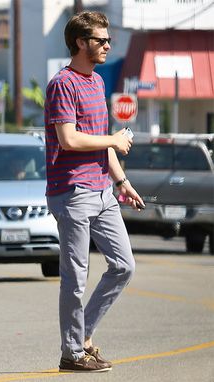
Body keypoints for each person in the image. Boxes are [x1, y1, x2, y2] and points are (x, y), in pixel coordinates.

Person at [44, 10, 145, 373]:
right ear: (80, 43)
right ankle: (72, 353)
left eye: (107, 40)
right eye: (100, 40)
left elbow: (103, 146)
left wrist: (122, 182)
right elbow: (68, 139)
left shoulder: (98, 82)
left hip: (103, 190)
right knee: (76, 277)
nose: (107, 45)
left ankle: (81, 335)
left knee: (124, 265)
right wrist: (114, 141)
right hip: (71, 192)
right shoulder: (62, 84)